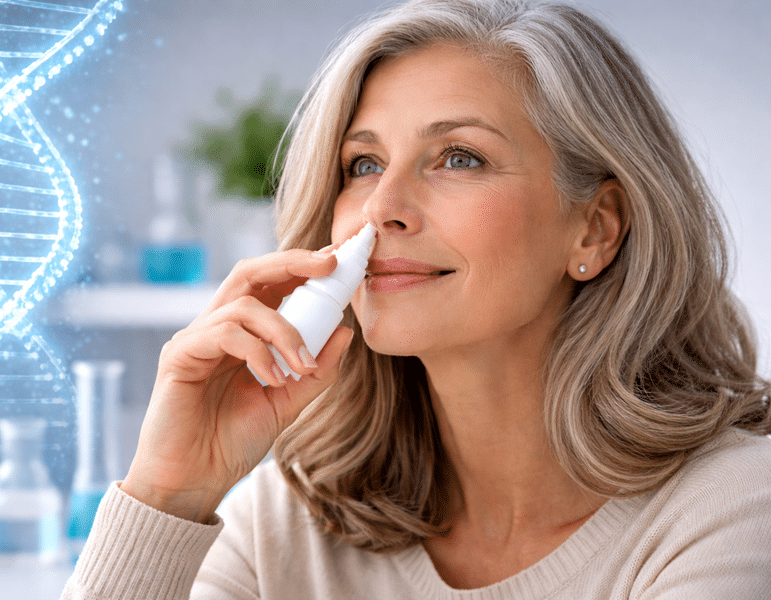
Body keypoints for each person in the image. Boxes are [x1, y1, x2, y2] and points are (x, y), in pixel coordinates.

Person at [62, 0, 771, 597]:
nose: (381, 210)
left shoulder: (731, 508)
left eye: (459, 157)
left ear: (595, 227)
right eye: (362, 165)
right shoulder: (286, 524)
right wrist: (169, 495)